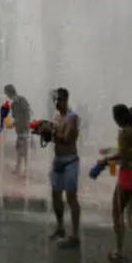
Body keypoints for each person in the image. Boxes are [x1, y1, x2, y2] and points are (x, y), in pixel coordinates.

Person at [98, 104, 132, 260]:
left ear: (118, 117)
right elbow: (129, 151)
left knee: (116, 212)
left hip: (127, 177)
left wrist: (105, 161)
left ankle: (119, 250)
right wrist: (111, 153)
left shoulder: (123, 132)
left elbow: (123, 154)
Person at [40, 87, 81, 249]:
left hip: (70, 161)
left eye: (59, 100)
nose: (56, 103)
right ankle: (60, 227)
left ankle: (75, 235)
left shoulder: (72, 118)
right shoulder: (57, 117)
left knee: (71, 198)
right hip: (58, 161)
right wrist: (44, 133)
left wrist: (50, 133)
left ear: (66, 100)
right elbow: (54, 138)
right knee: (56, 197)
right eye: (55, 100)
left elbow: (66, 138)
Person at [3, 84, 31, 177]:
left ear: (10, 92)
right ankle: (18, 169)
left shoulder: (22, 101)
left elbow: (26, 115)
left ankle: (26, 170)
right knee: (19, 149)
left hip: (24, 129)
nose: (7, 96)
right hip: (19, 129)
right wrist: (12, 124)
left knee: (24, 149)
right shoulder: (13, 104)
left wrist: (14, 124)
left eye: (6, 93)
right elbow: (16, 117)